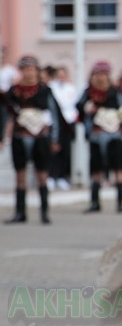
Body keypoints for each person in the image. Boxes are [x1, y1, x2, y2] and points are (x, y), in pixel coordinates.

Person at [1, 56, 60, 224]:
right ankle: (20, 212)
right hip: (20, 135)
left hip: (40, 136)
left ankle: (44, 212)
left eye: (32, 69)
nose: (29, 72)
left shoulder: (44, 90)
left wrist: (54, 138)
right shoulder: (14, 91)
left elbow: (54, 115)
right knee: (20, 175)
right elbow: (6, 115)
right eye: (25, 69)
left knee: (42, 174)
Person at [77, 61, 122, 213]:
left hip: (114, 135)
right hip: (96, 136)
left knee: (118, 168)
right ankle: (95, 202)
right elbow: (79, 107)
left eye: (103, 74)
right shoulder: (88, 92)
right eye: (98, 74)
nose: (101, 78)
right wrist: (87, 108)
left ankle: (120, 203)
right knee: (96, 169)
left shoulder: (115, 92)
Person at [48, 66, 78, 190]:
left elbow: (72, 104)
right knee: (52, 150)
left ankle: (62, 176)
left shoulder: (71, 88)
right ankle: (51, 176)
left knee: (65, 150)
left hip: (68, 122)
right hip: (55, 121)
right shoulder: (51, 87)